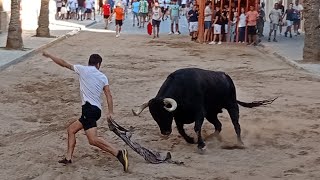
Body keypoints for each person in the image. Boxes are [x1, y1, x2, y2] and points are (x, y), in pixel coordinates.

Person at [42, 52, 129, 172]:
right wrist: (110, 112)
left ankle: (119, 153)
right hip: (95, 110)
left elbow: (64, 63)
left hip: (88, 109)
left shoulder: (82, 69)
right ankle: (68, 158)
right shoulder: (103, 76)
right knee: (71, 130)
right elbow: (109, 95)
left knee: (93, 140)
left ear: (89, 62)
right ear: (98, 64)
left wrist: (50, 56)